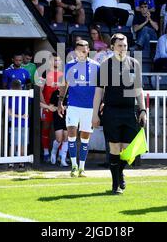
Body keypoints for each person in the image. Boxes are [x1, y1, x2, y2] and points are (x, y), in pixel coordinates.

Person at [92, 33, 146, 194]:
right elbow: (98, 92)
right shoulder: (105, 65)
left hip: (129, 112)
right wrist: (95, 114)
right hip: (111, 111)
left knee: (128, 150)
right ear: (112, 47)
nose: (122, 48)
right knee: (114, 148)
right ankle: (115, 184)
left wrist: (142, 109)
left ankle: (119, 171)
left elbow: (138, 89)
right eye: (119, 46)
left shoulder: (134, 64)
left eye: (125, 45)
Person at [58, 40, 100, 178]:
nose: (81, 52)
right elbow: (64, 85)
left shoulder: (96, 66)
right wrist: (60, 101)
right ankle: (74, 167)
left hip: (89, 107)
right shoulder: (69, 65)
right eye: (78, 50)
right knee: (71, 134)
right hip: (73, 105)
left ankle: (82, 167)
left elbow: (101, 87)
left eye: (84, 50)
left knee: (85, 137)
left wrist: (101, 103)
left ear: (88, 50)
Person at [39, 53, 64, 163]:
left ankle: (60, 154)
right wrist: (45, 104)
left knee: (61, 131)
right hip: (48, 106)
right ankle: (45, 152)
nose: (56, 62)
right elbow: (38, 90)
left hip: (58, 107)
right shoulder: (44, 73)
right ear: (50, 61)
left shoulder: (63, 74)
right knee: (46, 128)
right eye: (54, 60)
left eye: (58, 60)